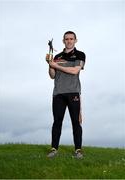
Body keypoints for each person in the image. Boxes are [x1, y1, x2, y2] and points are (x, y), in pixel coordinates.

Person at [46, 31, 86, 159]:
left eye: (71, 39)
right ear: (63, 41)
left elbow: (75, 71)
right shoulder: (57, 56)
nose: (69, 41)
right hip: (58, 93)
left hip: (73, 92)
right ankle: (54, 149)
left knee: (76, 122)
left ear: (75, 40)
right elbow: (52, 76)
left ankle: (78, 150)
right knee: (57, 122)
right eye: (66, 39)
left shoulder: (80, 55)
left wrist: (55, 65)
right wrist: (50, 65)